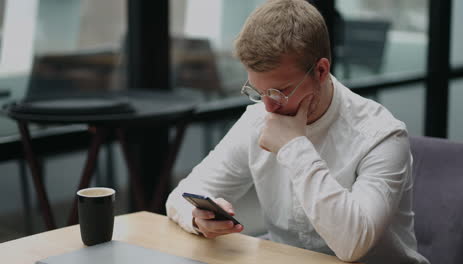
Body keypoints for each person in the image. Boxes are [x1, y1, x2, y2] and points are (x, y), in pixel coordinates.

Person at [166, 0, 429, 263]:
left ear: (321, 70)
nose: (268, 106)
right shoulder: (258, 119)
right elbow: (182, 194)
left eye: (280, 91)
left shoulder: (382, 135)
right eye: (258, 92)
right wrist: (198, 219)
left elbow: (352, 244)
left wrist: (293, 145)